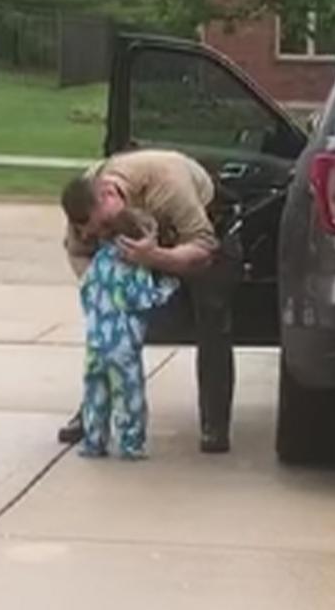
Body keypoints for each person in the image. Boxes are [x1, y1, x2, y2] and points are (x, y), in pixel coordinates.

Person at [58, 149, 242, 453]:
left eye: (105, 226)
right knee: (107, 336)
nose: (103, 234)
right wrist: (102, 288)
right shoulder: (86, 191)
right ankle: (90, 415)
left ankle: (215, 425)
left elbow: (203, 247)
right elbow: (77, 250)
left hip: (202, 236)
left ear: (109, 193)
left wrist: (155, 257)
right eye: (97, 231)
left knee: (212, 317)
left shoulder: (168, 183)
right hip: (142, 245)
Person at [61, 180, 180, 460]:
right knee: (128, 395)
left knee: (96, 394)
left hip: (96, 341)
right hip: (122, 345)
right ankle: (130, 442)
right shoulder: (134, 267)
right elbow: (143, 299)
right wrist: (169, 285)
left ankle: (94, 440)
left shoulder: (99, 263)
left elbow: (86, 289)